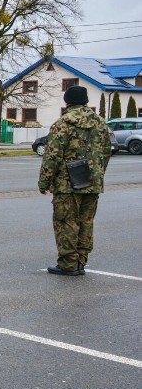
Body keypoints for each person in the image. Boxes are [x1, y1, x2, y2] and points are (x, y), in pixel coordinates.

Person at [38, 86, 111, 276]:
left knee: (66, 222)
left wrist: (44, 182)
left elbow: (52, 156)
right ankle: (80, 262)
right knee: (86, 221)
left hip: (66, 183)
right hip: (92, 182)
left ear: (67, 102)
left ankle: (68, 263)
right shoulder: (100, 123)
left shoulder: (63, 123)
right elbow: (106, 152)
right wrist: (98, 173)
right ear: (86, 101)